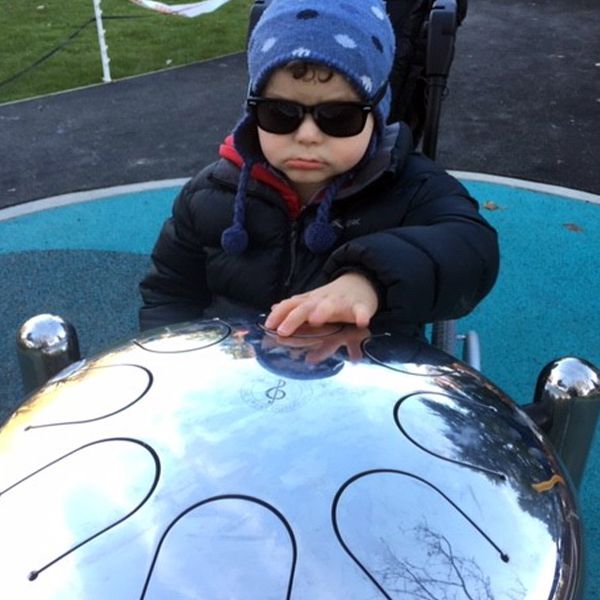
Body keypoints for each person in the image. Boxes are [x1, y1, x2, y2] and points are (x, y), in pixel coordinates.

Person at [139, 0, 499, 339]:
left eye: (338, 117)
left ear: (376, 114)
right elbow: (170, 293)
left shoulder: (409, 187)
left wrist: (371, 279)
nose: (307, 135)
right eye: (280, 113)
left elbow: (473, 250)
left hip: (360, 379)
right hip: (239, 377)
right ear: (253, 113)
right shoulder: (210, 194)